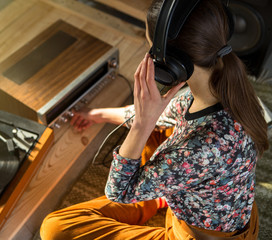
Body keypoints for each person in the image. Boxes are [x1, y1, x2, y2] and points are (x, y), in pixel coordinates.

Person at [40, 0, 269, 239]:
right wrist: (98, 115)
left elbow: (118, 192)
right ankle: (160, 193)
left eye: (151, 49)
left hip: (193, 233)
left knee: (54, 229)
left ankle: (158, 194)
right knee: (157, 125)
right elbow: (164, 113)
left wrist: (141, 126)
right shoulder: (226, 87)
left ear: (170, 62)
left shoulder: (202, 146)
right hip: (202, 190)